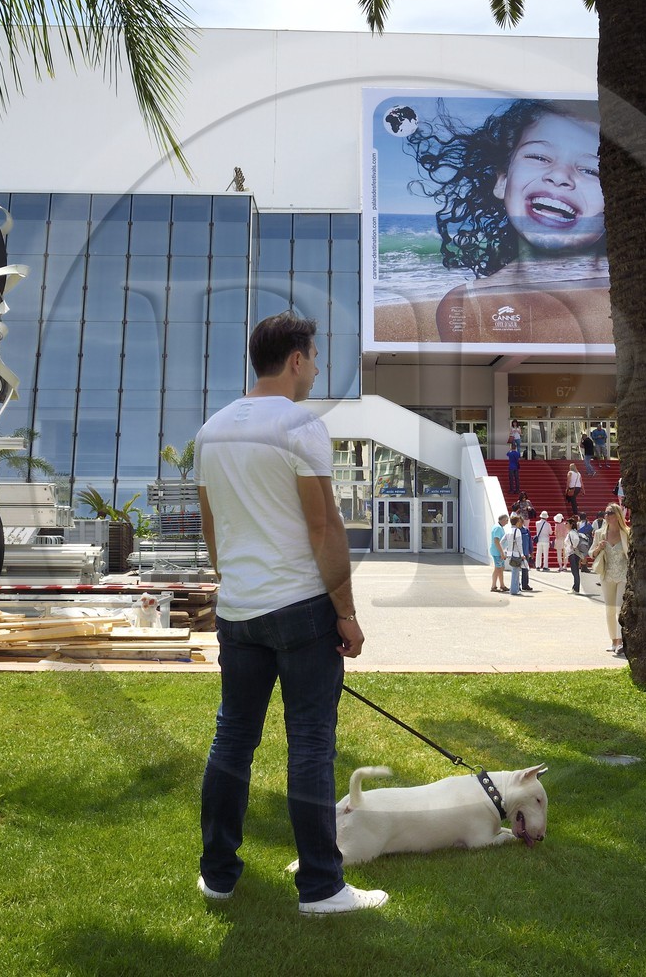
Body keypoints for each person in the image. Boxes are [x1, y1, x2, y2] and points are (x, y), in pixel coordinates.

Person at [194, 311, 385, 915]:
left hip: (239, 611)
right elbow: (325, 524)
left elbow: (211, 529)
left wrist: (233, 583)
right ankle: (323, 889)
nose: (319, 368)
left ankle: (217, 875)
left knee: (232, 740)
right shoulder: (301, 425)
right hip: (301, 608)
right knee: (308, 745)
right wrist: (347, 612)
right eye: (316, 356)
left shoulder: (210, 430)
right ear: (296, 359)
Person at [397, 99, 608, 345]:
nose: (560, 176)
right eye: (540, 157)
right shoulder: (468, 304)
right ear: (502, 180)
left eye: (591, 170)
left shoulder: (643, 293)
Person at [589, 504, 630, 655]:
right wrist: (598, 548)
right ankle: (613, 641)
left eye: (610, 512)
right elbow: (591, 553)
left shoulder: (626, 533)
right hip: (606, 575)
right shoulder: (600, 533)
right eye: (605, 512)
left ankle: (620, 642)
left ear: (618, 515)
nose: (606, 515)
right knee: (609, 610)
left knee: (619, 608)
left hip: (623, 575)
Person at [502, 514, 528, 596]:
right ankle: (514, 590)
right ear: (517, 522)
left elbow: (502, 541)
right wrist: (522, 554)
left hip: (509, 554)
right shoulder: (518, 531)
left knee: (515, 571)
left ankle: (515, 589)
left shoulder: (508, 531)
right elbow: (519, 544)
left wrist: (504, 550)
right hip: (516, 554)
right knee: (516, 572)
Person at [567, 513, 592, 595]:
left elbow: (576, 540)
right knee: (575, 571)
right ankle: (575, 587)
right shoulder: (574, 531)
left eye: (567, 523)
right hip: (574, 552)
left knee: (575, 571)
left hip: (573, 553)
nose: (565, 525)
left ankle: (576, 588)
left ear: (571, 524)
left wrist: (573, 547)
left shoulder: (572, 532)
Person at [489, 513, 509, 593]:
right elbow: (496, 540)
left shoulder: (499, 527)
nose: (507, 522)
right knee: (498, 568)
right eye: (507, 520)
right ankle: (493, 586)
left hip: (499, 552)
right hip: (497, 552)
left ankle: (502, 585)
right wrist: (501, 552)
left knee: (501, 568)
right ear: (503, 520)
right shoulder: (498, 528)